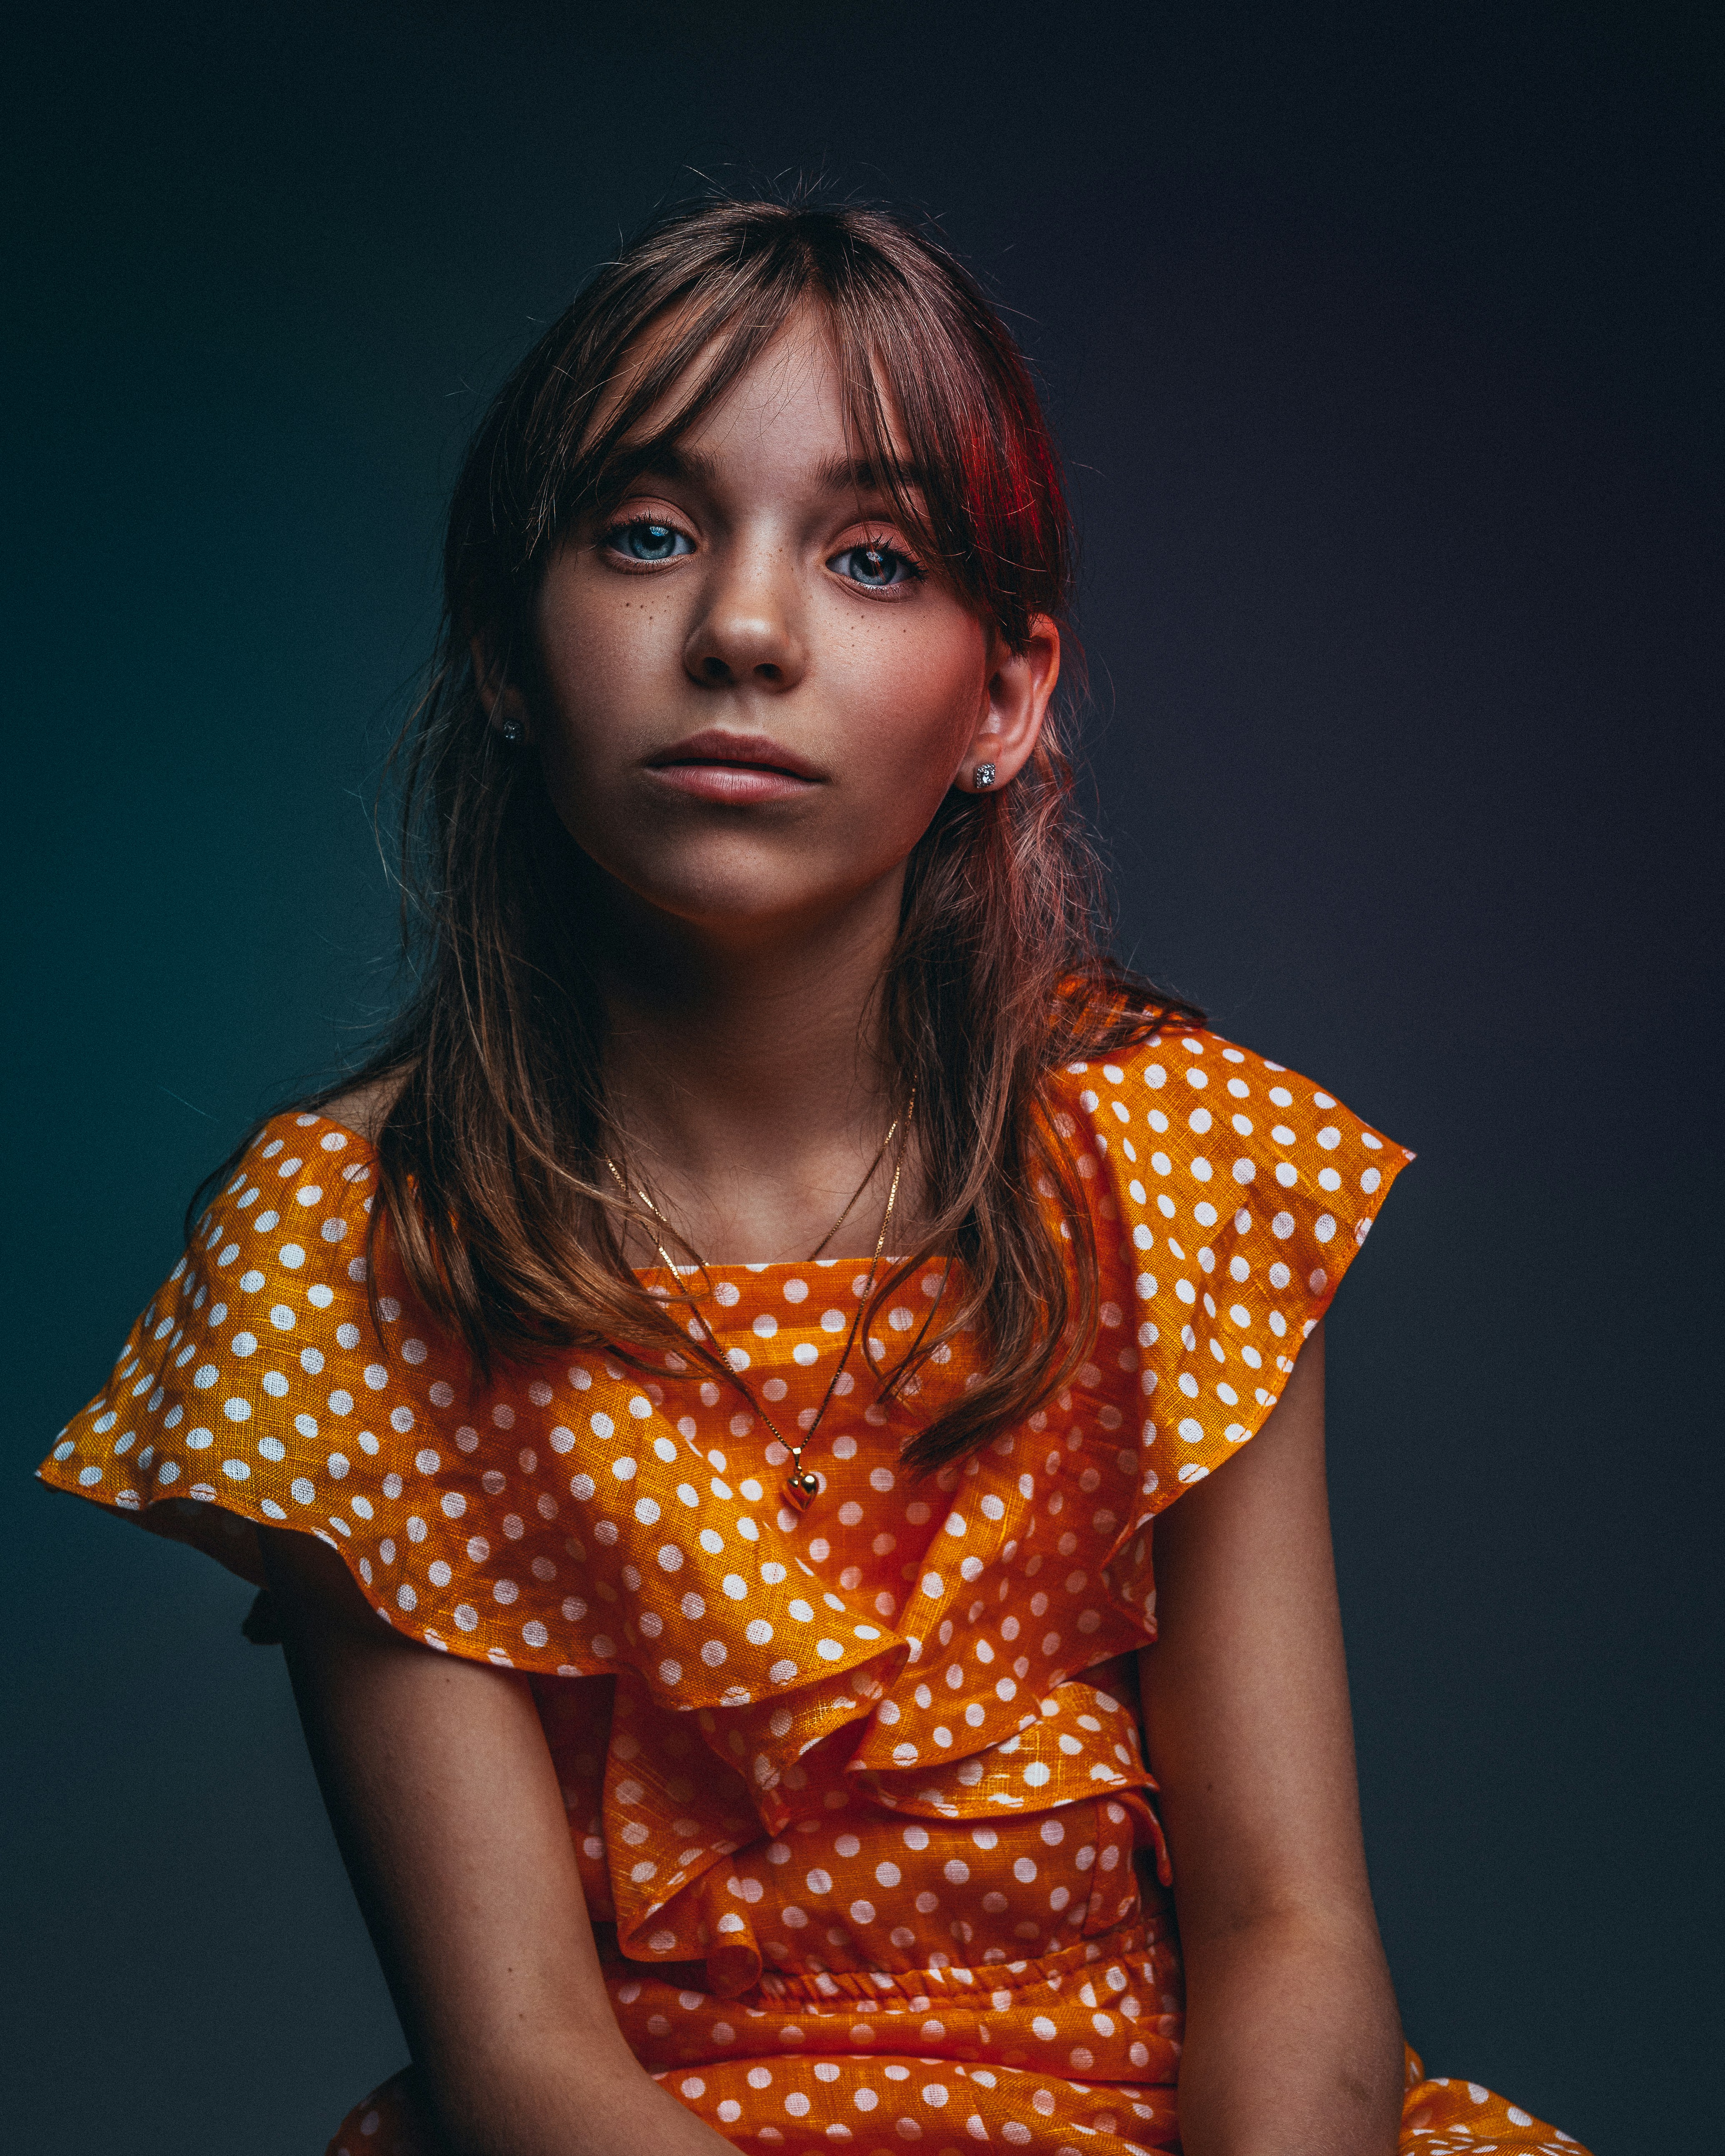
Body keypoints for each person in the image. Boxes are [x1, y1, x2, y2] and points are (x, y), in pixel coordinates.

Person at [39, 199, 1589, 2156]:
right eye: (649, 532)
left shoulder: (1175, 1163)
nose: (745, 631)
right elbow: (524, 2056)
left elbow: (1293, 1926)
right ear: (510, 649)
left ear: (1007, 701)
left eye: (870, 559)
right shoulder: (353, 1250)